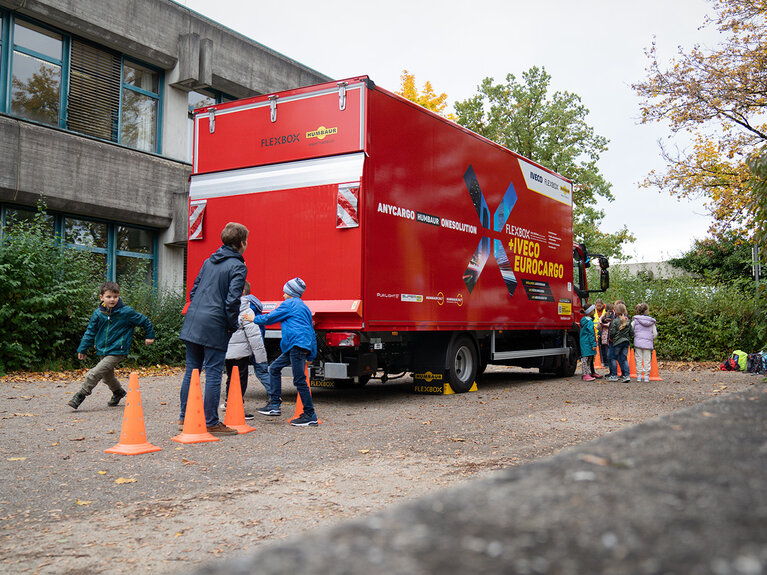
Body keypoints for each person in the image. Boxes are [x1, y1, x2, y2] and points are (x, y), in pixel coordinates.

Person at [178, 222, 248, 435]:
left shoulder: (209, 261)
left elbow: (194, 290)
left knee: (193, 369)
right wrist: (230, 324)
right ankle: (211, 422)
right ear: (242, 243)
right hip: (214, 324)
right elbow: (233, 300)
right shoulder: (238, 266)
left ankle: (185, 417)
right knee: (215, 372)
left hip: (193, 320)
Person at [68, 282, 155, 410]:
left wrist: (150, 336)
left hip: (117, 350)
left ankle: (80, 395)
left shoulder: (126, 312)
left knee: (94, 373)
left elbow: (145, 321)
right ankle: (118, 392)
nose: (112, 299)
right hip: (102, 350)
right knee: (107, 377)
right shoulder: (98, 314)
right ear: (101, 297)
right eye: (109, 296)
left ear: (119, 296)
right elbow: (90, 332)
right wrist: (83, 348)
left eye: (115, 296)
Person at [253, 277, 319, 426]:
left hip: (296, 345)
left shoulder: (289, 304)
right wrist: (312, 353)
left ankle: (310, 415)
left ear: (290, 292)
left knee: (299, 380)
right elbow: (311, 331)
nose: (283, 294)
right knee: (275, 368)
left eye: (285, 292)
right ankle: (274, 405)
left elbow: (270, 318)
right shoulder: (304, 307)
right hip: (297, 346)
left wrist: (253, 318)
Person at [223, 281, 267, 419]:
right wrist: (261, 358)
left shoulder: (223, 307)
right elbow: (254, 337)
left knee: (230, 377)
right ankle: (237, 406)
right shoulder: (246, 311)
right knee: (241, 380)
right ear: (244, 292)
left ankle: (228, 402)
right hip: (240, 353)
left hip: (226, 351)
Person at [632, 302, 658, 383]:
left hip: (638, 342)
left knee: (638, 359)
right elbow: (655, 333)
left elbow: (631, 329)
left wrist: (635, 336)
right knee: (647, 359)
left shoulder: (635, 320)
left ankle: (639, 376)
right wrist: (651, 338)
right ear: (646, 311)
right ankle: (646, 376)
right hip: (648, 343)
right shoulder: (651, 322)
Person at [609, 302, 634, 383]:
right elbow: (631, 333)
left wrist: (611, 338)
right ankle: (626, 376)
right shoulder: (628, 321)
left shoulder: (615, 321)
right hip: (626, 342)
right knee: (624, 359)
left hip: (617, 343)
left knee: (613, 357)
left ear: (616, 311)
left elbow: (612, 332)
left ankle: (614, 375)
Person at [579, 304, 599, 381]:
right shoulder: (589, 322)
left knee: (586, 358)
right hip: (588, 343)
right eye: (593, 310)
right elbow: (591, 334)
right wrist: (594, 344)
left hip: (583, 342)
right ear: (590, 311)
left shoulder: (583, 320)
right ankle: (585, 374)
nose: (594, 312)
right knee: (587, 359)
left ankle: (588, 373)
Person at [598, 302, 614, 372]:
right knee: (610, 352)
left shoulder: (603, 317)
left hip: (603, 336)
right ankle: (611, 366)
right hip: (610, 336)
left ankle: (605, 363)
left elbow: (599, 326)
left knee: (604, 350)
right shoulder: (613, 317)